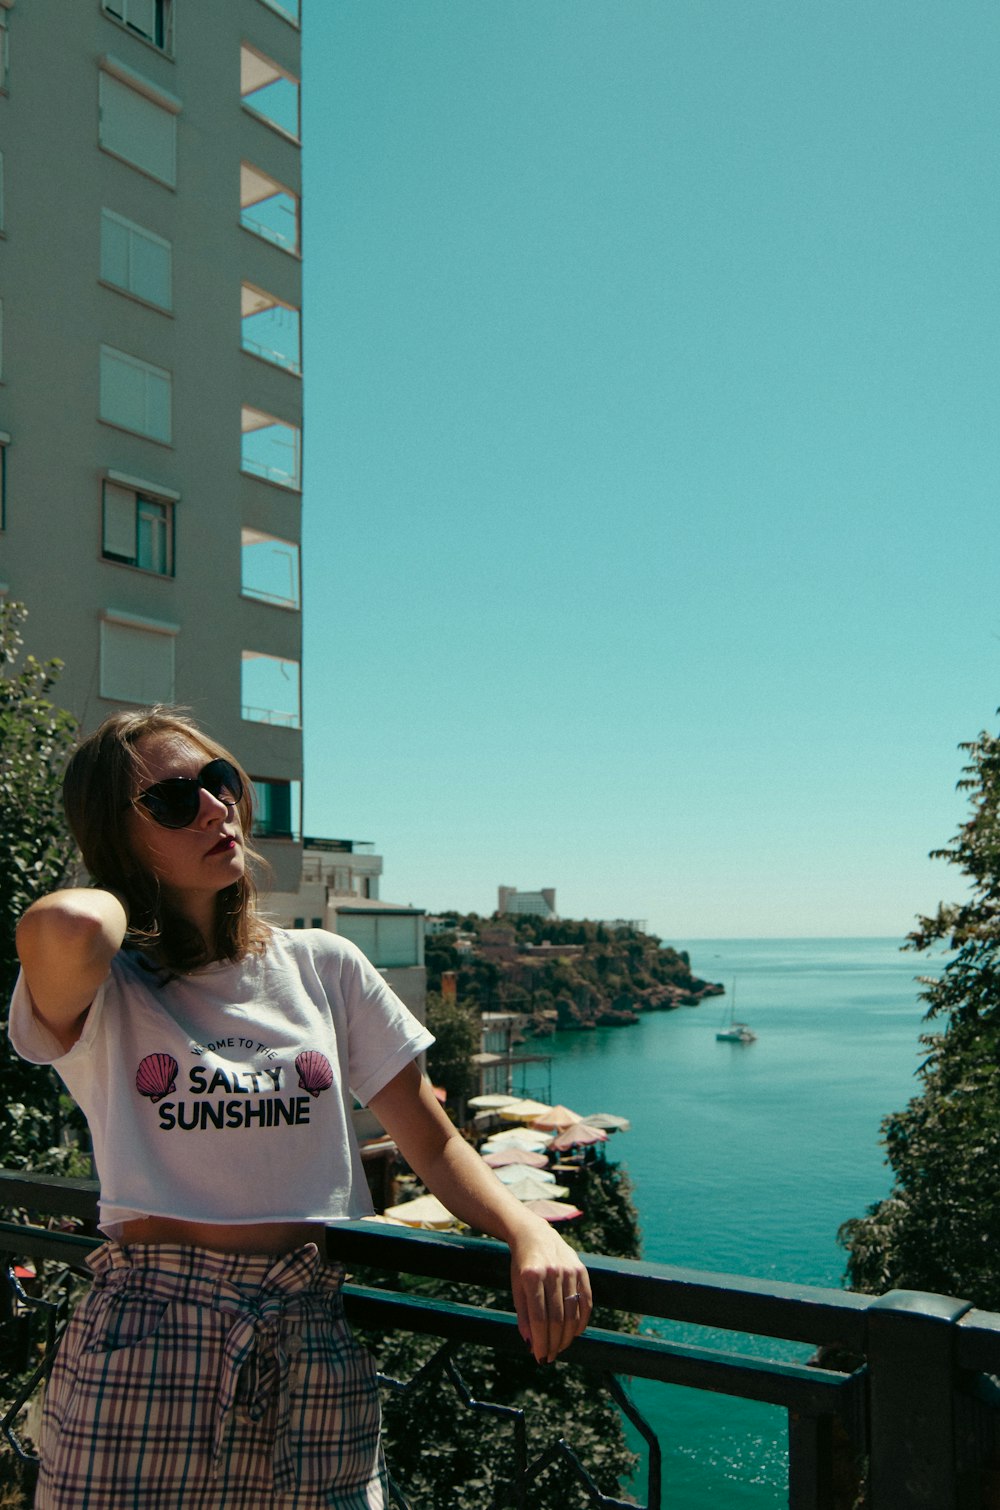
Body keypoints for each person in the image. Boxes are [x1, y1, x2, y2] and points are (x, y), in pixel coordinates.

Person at [9, 708, 592, 1509]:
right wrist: (119, 883)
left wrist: (525, 1230)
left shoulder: (323, 965)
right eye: (175, 802)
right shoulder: (111, 989)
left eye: (219, 784)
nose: (217, 809)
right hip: (147, 1343)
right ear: (118, 840)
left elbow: (431, 1138)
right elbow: (65, 924)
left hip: (307, 1334)